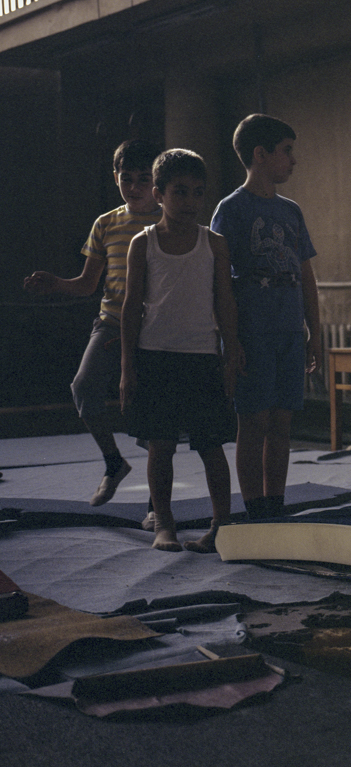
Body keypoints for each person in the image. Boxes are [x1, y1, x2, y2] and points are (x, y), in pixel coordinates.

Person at [24, 139, 162, 507]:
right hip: (111, 322)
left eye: (143, 179)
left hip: (154, 328)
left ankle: (156, 500)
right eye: (126, 178)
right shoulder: (106, 223)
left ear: (157, 180)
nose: (134, 188)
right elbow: (88, 284)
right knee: (84, 386)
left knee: (151, 409)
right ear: (115, 178)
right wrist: (56, 283)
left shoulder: (168, 222)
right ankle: (113, 463)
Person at [120, 150, 241, 552]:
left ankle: (221, 524)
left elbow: (225, 300)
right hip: (155, 356)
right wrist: (127, 366)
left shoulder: (214, 244)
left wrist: (231, 351)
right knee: (161, 445)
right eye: (180, 192)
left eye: (197, 193)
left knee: (211, 446)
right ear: (158, 194)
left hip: (202, 357)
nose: (189, 201)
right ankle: (165, 524)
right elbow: (131, 307)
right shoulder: (144, 244)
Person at [211, 114, 321, 521]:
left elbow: (307, 277)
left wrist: (316, 331)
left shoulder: (292, 212)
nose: (294, 160)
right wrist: (230, 339)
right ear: (260, 154)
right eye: (287, 151)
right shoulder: (231, 210)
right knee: (253, 422)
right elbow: (220, 281)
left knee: (282, 423)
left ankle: (275, 504)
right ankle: (253, 506)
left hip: (290, 331)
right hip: (253, 333)